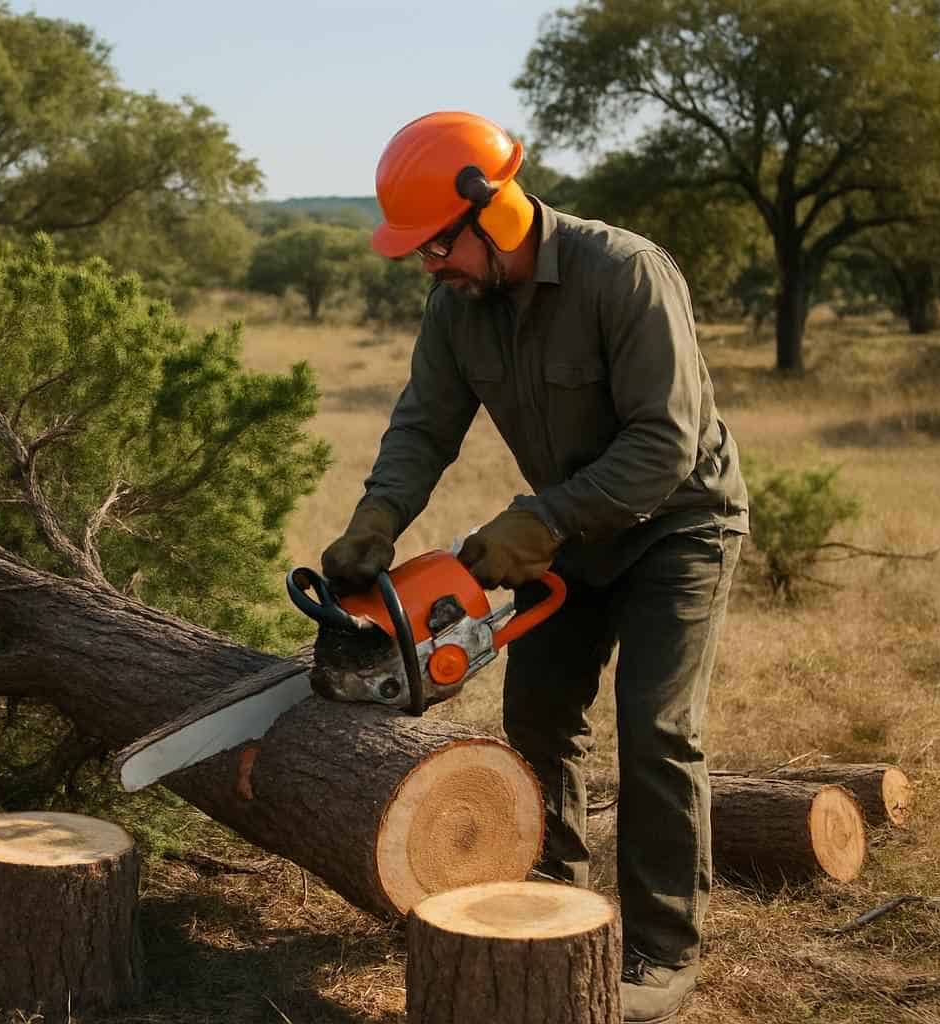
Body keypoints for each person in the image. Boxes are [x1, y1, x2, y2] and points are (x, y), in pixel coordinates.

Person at [320, 111, 748, 1024]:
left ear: (494, 212)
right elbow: (425, 424)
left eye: (436, 246)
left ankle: (663, 950)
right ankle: (555, 894)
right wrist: (377, 518)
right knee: (538, 717)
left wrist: (536, 522)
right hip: (569, 536)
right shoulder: (456, 307)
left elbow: (663, 444)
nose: (428, 267)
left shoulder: (622, 272)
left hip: (680, 524)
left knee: (657, 727)